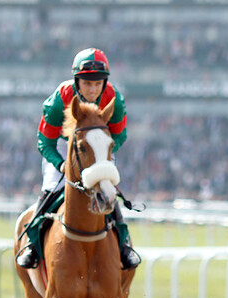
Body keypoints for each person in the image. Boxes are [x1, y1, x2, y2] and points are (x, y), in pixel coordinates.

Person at [15, 48, 140, 270]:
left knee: (109, 189)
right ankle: (33, 244)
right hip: (65, 145)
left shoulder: (114, 99)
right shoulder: (60, 98)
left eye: (97, 84)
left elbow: (119, 134)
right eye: (87, 83)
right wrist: (60, 164)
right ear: (76, 81)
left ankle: (123, 245)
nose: (92, 90)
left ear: (104, 83)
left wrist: (104, 153)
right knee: (52, 186)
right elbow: (45, 141)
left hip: (99, 144)